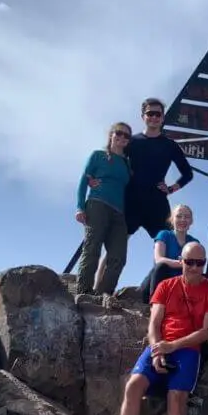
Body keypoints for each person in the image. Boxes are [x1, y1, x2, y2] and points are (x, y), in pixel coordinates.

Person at [101, 242, 208, 415]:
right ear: (181, 261)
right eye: (190, 262)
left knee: (177, 398)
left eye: (200, 263)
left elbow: (207, 331)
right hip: (160, 345)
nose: (195, 268)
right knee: (133, 385)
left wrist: (173, 346)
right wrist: (158, 352)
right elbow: (154, 323)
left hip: (187, 349)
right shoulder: (166, 286)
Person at [94, 97, 194, 290]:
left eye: (158, 114)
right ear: (143, 117)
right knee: (114, 250)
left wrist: (172, 188)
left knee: (172, 248)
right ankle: (98, 291)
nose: (154, 117)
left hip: (157, 204)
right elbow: (113, 160)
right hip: (130, 202)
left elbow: (188, 174)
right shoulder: (132, 142)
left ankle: (157, 292)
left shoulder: (169, 145)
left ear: (163, 118)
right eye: (150, 113)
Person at [75, 123, 132, 298]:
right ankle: (83, 292)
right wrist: (79, 206)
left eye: (126, 136)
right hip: (97, 204)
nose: (122, 138)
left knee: (118, 257)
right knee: (92, 248)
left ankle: (102, 295)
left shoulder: (127, 163)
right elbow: (83, 181)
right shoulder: (97, 156)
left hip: (119, 212)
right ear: (111, 135)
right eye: (119, 133)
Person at [137, 204, 200, 302]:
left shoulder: (194, 242)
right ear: (172, 219)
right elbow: (159, 259)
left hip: (180, 283)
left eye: (187, 217)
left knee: (203, 276)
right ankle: (154, 304)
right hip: (160, 280)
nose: (183, 220)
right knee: (161, 267)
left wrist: (188, 263)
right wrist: (183, 263)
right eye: (179, 216)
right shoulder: (164, 235)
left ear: (191, 221)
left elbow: (195, 265)